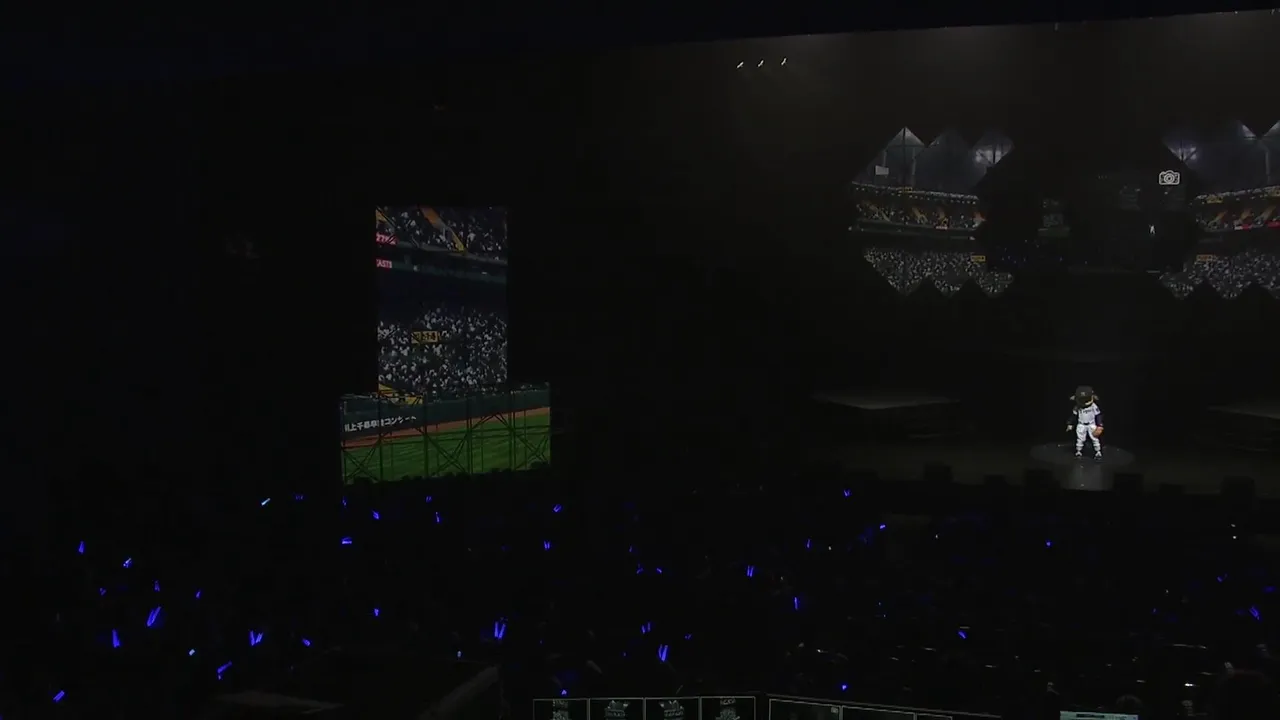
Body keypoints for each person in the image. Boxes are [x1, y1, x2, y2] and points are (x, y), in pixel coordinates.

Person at [1066, 385, 1104, 459]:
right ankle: (1078, 451)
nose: (1084, 401)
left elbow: (1098, 415)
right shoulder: (1077, 407)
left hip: (1091, 424)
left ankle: (1098, 452)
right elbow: (1073, 416)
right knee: (1080, 439)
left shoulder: (1093, 406)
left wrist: (1100, 425)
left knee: (1095, 438)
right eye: (1082, 399)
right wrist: (1070, 423)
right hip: (1081, 424)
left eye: (1086, 399)